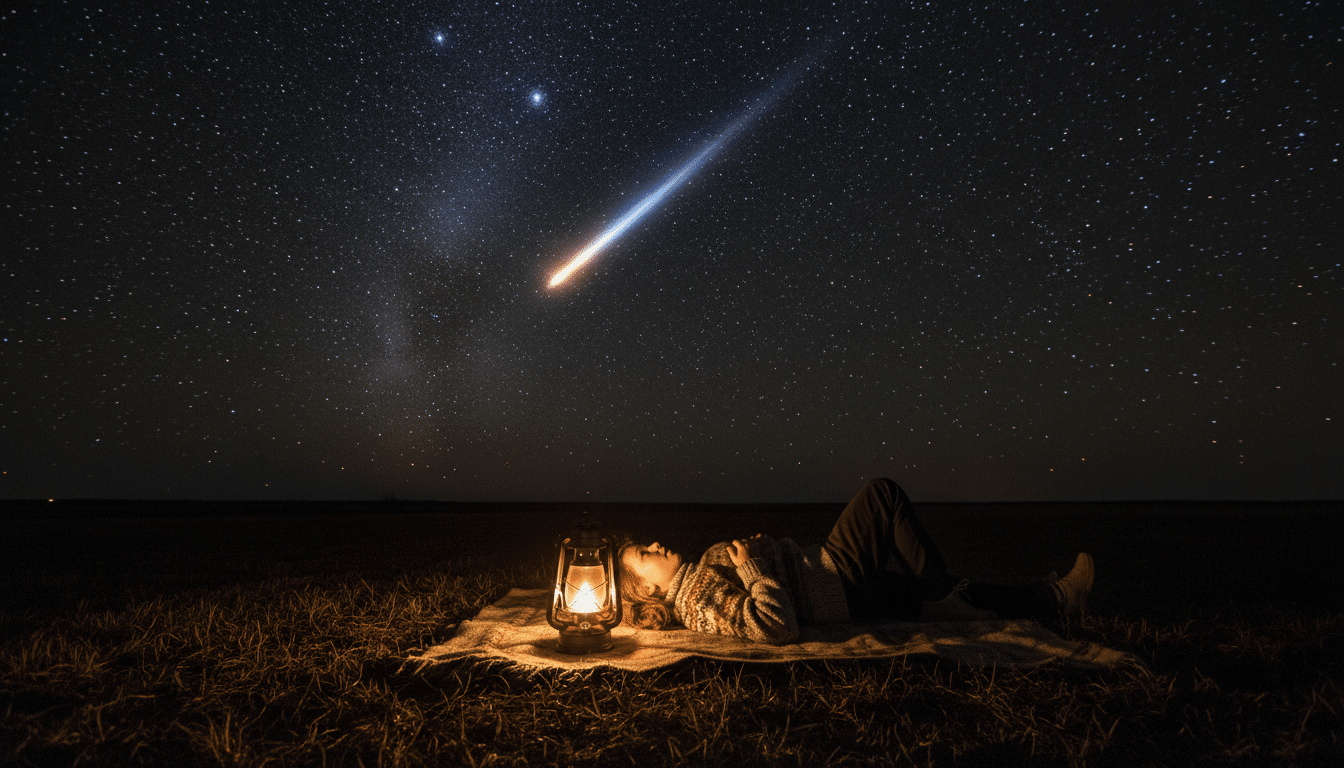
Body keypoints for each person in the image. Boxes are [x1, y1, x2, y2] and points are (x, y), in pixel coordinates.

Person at [617, 477, 1094, 644]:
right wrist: (751, 568)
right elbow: (773, 626)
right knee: (881, 495)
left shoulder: (697, 574)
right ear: (648, 589)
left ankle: (1052, 598)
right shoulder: (696, 596)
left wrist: (757, 550)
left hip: (835, 587)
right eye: (644, 554)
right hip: (834, 582)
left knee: (943, 595)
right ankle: (941, 590)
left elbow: (757, 586)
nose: (656, 545)